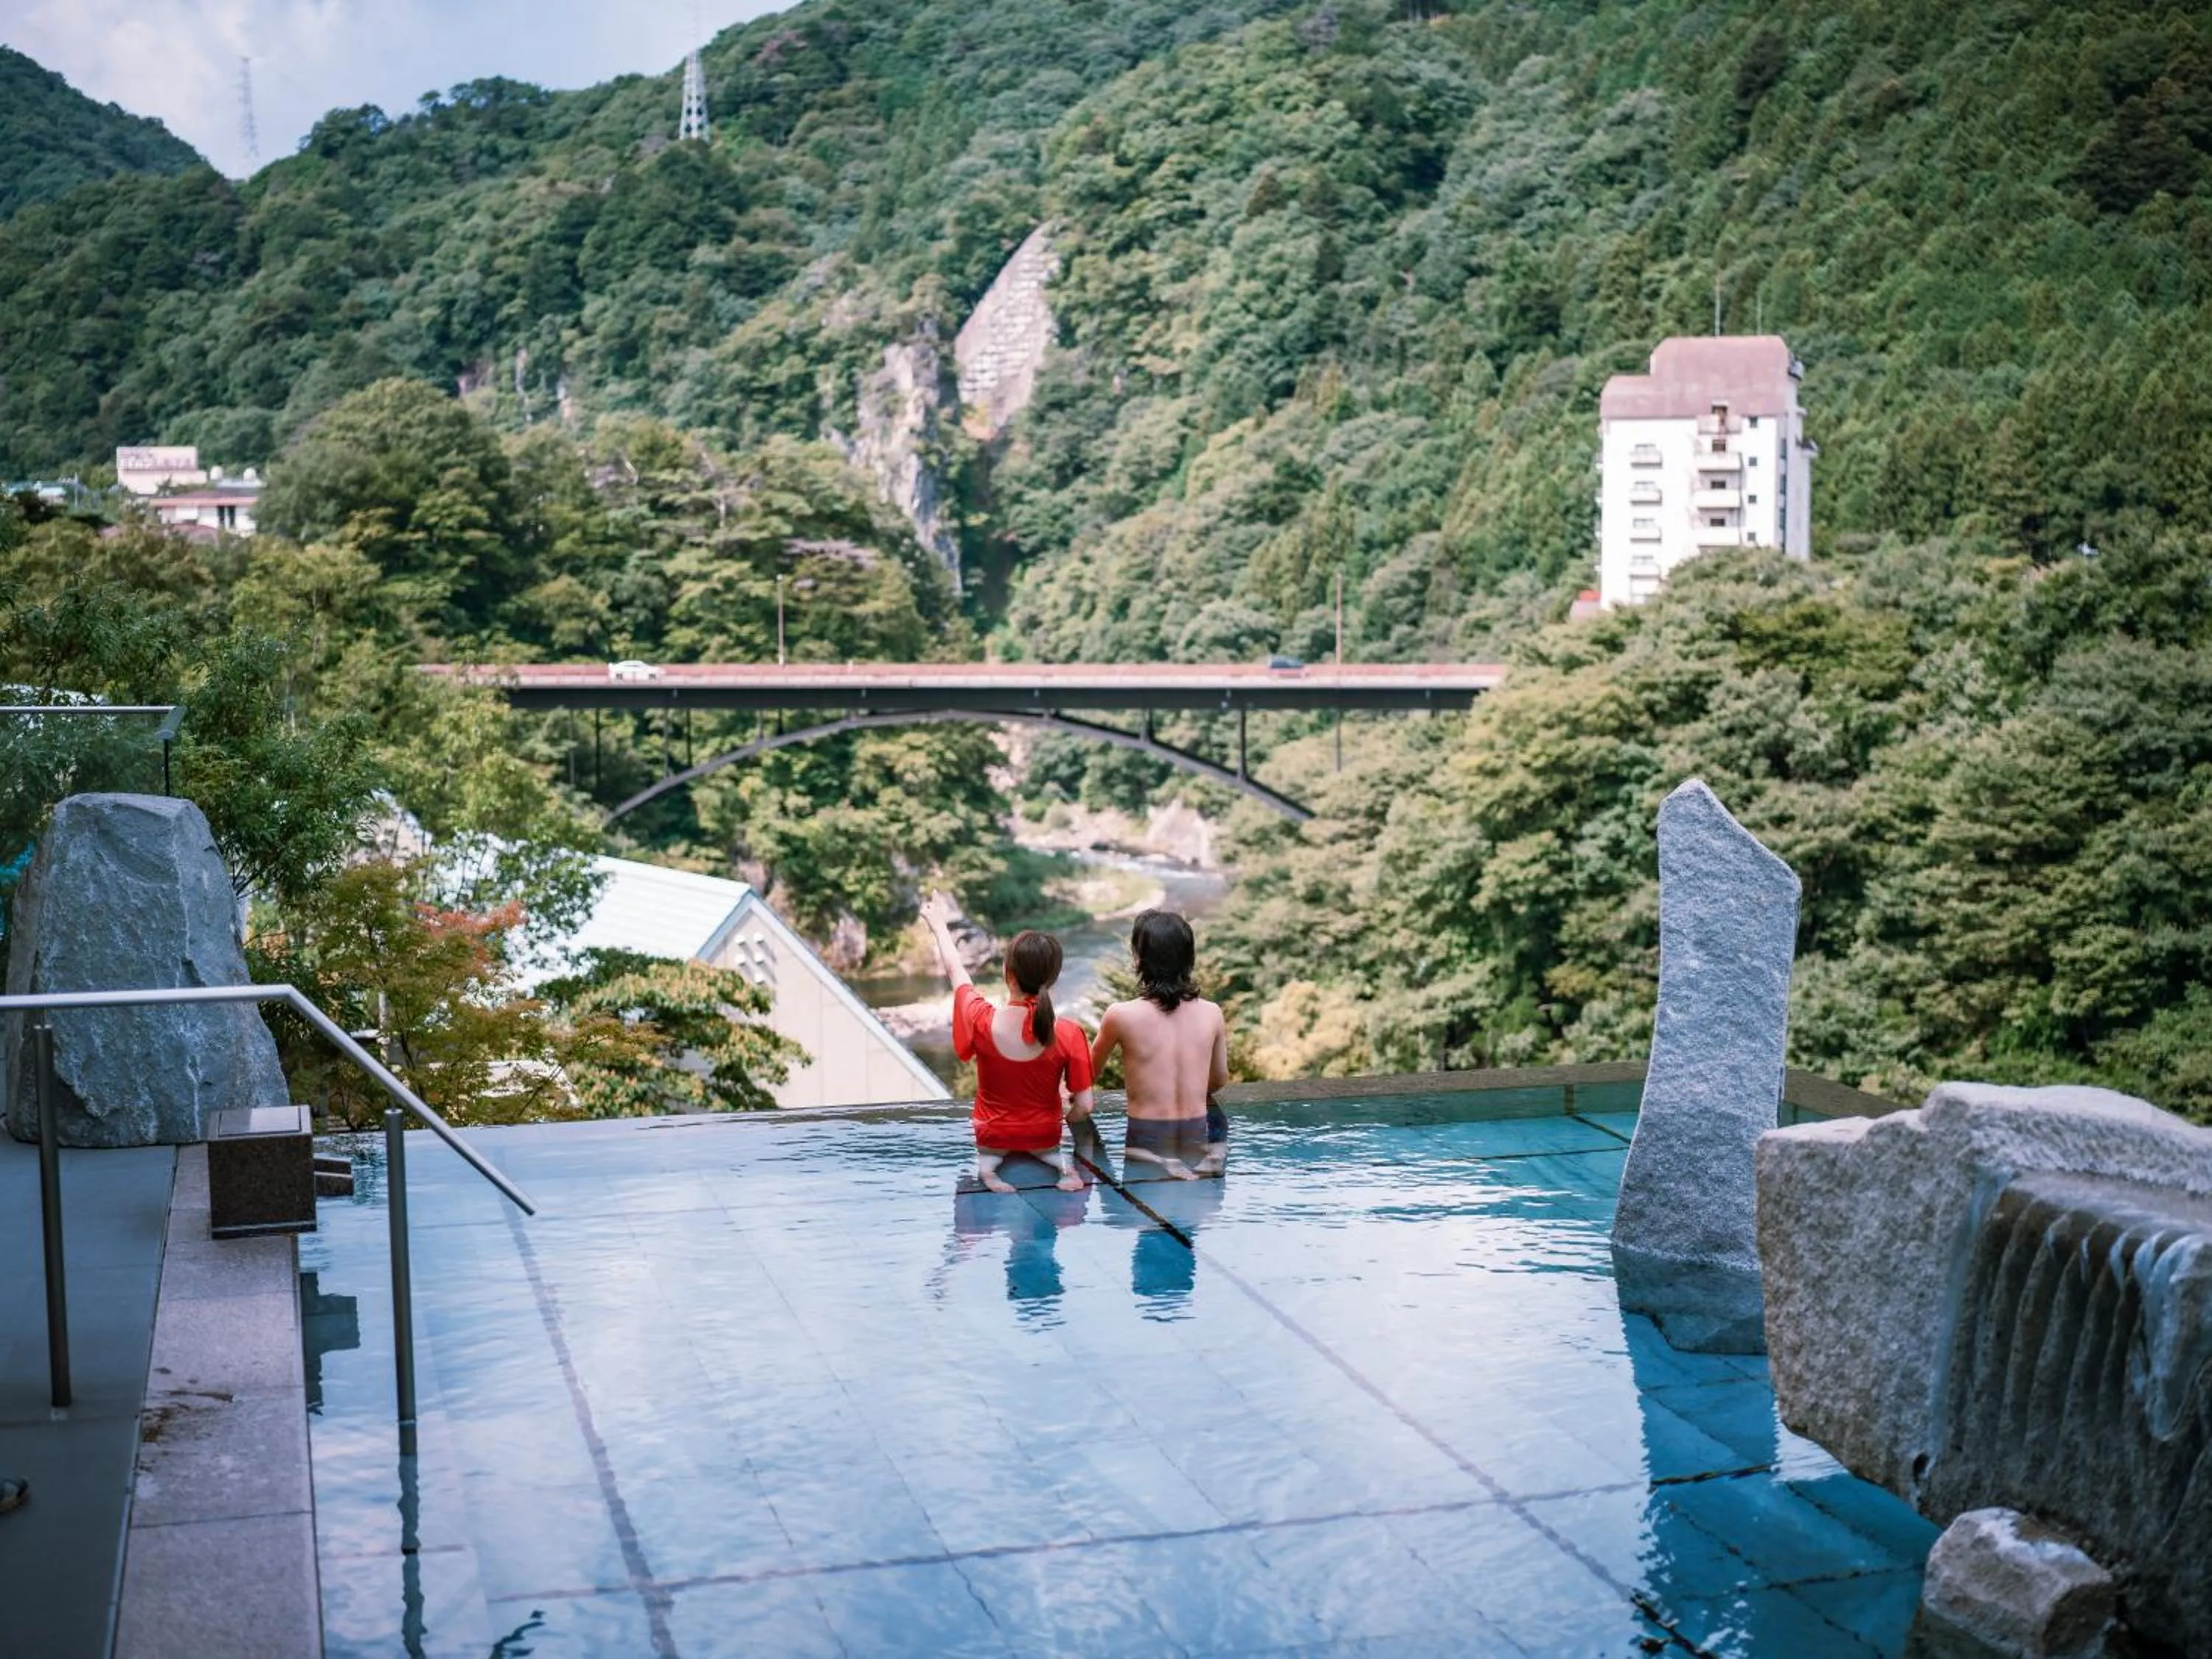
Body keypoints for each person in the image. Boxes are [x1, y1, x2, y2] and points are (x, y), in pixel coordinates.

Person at [920, 892, 1093, 1194]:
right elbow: (1085, 1106)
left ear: (1008, 974)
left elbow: (956, 972)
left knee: (988, 1155)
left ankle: (989, 1174)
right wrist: (1064, 1118)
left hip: (993, 1136)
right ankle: (1064, 1171)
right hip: (1044, 1136)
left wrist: (939, 927)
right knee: (1053, 1151)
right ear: (1052, 979)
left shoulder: (981, 1019)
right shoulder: (1069, 1033)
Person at [1091, 910, 1229, 1180]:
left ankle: (1161, 1162)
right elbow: (1218, 1080)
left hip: (1147, 1135)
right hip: (1195, 1131)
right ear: (1190, 959)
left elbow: (1084, 1077)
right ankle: (1214, 1156)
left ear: (1138, 958)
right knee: (1193, 1203)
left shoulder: (1120, 1015)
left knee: (1141, 1201)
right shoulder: (1213, 1013)